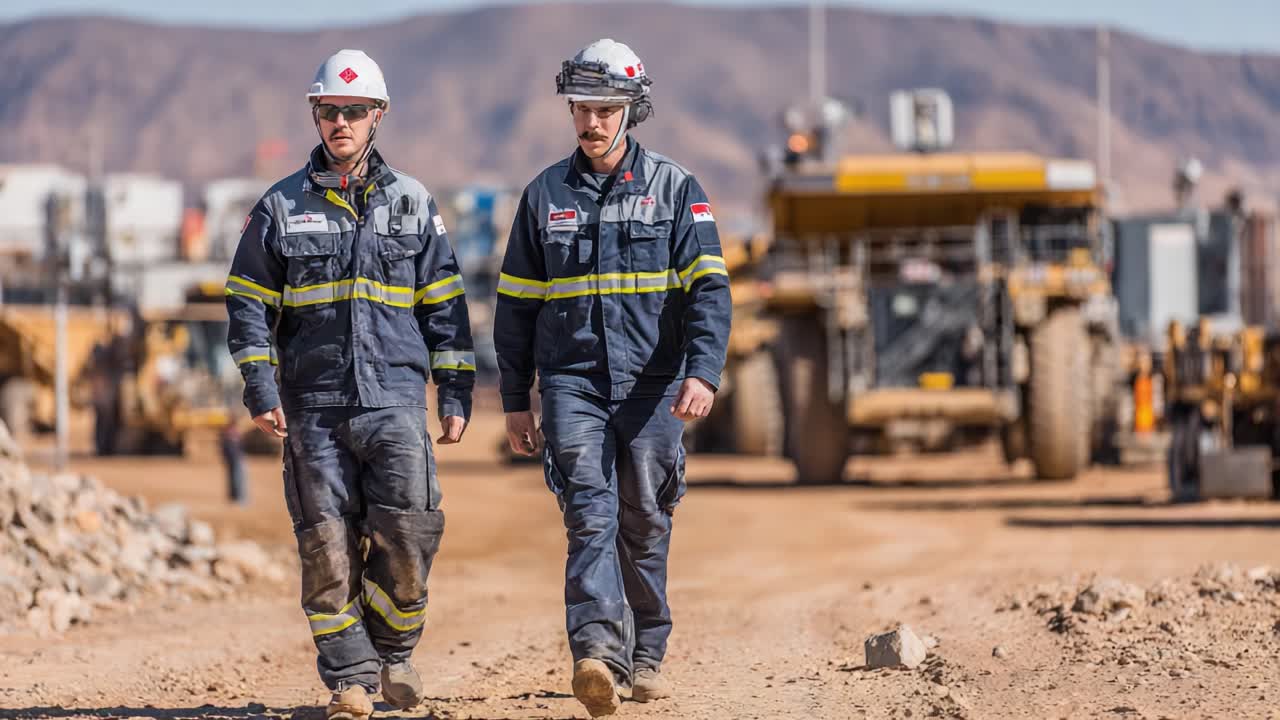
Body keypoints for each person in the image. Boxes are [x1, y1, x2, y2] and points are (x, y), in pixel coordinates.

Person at [224, 49, 475, 720]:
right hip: (315, 406)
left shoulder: (413, 202)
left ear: (378, 116)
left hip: (394, 401)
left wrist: (454, 392)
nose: (341, 121)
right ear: (315, 113)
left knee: (411, 535)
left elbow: (445, 305)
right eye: (330, 110)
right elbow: (248, 302)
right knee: (326, 547)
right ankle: (351, 680)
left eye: (354, 111)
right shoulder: (280, 207)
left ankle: (393, 652)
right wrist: (260, 385)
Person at [493, 38, 732, 718]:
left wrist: (703, 372)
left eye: (604, 109)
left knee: (645, 518)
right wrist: (517, 400)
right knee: (589, 513)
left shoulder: (676, 189)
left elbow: (710, 292)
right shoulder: (544, 196)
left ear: (632, 109)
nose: (591, 123)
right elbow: (516, 307)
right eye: (581, 109)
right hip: (572, 382)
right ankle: (596, 652)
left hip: (655, 385)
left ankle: (648, 650)